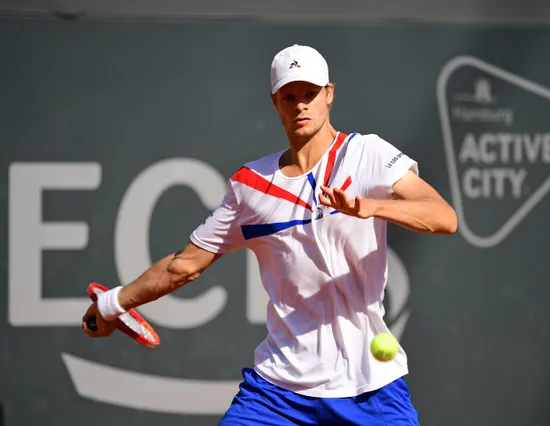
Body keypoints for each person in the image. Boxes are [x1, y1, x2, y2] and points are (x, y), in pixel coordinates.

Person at [82, 44, 458, 425]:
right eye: (289, 96)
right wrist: (113, 304)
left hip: (369, 387)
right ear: (274, 102)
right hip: (277, 393)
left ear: (329, 95)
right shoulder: (250, 187)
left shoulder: (367, 155)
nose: (300, 106)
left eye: (310, 94)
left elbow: (443, 217)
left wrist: (371, 207)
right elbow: (184, 267)